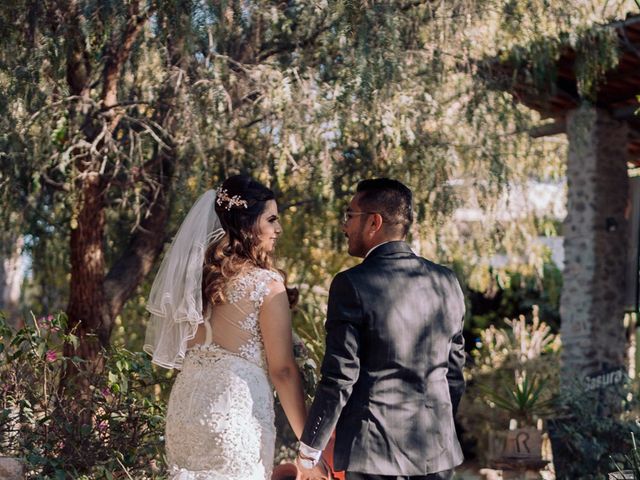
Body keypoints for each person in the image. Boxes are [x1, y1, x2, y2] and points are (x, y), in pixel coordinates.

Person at [296, 178, 466, 480]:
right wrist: (438, 427)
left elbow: (339, 376)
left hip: (373, 453)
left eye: (350, 215)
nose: (344, 226)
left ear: (374, 222)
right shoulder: (447, 282)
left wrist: (309, 450)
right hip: (436, 452)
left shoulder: (351, 284)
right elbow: (454, 373)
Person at [144, 175, 307, 480]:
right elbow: (283, 370)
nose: (278, 229)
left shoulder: (195, 283)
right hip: (233, 413)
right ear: (247, 224)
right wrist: (309, 442)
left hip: (184, 411)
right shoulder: (266, 285)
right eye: (271, 219)